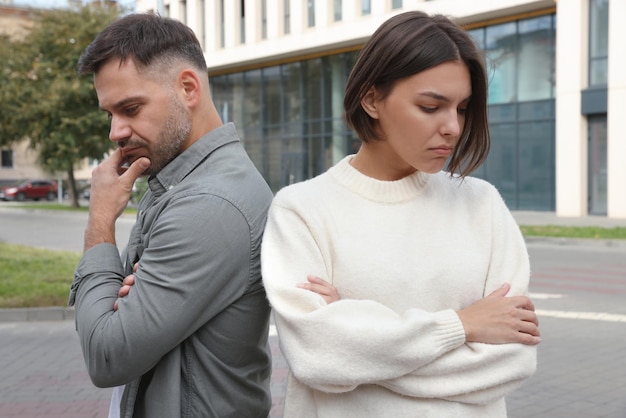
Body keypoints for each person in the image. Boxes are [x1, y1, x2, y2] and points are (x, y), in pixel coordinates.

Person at [261, 10, 541, 418]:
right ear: (372, 99)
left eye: (462, 108)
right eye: (431, 106)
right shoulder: (301, 210)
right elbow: (318, 357)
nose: (452, 127)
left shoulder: (482, 205)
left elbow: (511, 361)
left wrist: (358, 332)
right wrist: (462, 326)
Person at [68, 13, 273, 418]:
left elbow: (108, 354)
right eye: (109, 113)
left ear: (187, 87)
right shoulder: (175, 179)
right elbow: (113, 316)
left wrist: (100, 223)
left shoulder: (211, 205)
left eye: (130, 108)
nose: (115, 132)